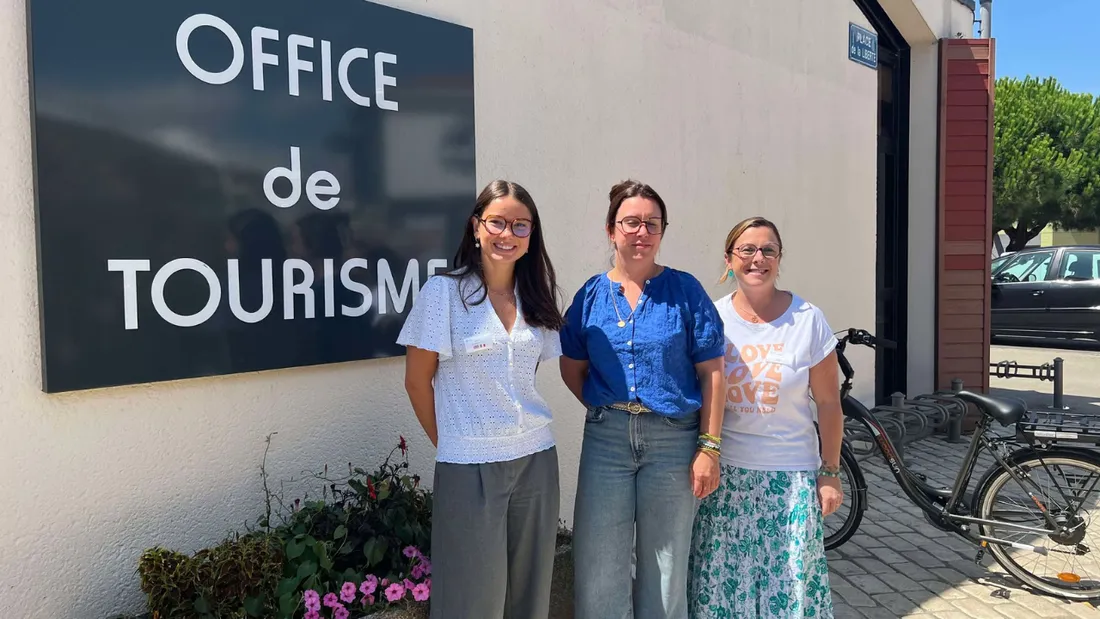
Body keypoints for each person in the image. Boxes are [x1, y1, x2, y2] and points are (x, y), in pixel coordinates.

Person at [397, 180, 565, 619]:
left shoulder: (536, 299)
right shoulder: (444, 295)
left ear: (531, 237)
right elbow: (417, 382)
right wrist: (452, 442)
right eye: (497, 222)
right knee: (472, 602)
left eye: (520, 226)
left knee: (529, 596)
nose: (507, 234)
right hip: (469, 466)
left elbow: (525, 378)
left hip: (536, 460)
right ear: (476, 227)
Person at [560, 179, 726, 619]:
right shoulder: (591, 295)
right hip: (607, 441)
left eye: (652, 223)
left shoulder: (685, 291)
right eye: (630, 222)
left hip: (674, 442)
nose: (641, 232)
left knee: (667, 567)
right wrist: (607, 408)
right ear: (610, 230)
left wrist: (709, 447)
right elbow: (572, 365)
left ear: (662, 231)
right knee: (597, 561)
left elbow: (712, 373)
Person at [687, 216, 843, 619]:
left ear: (779, 258)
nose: (758, 259)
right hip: (727, 481)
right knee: (721, 592)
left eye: (768, 250)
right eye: (747, 250)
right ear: (729, 259)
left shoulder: (808, 319)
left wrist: (829, 472)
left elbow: (828, 403)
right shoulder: (712, 317)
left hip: (790, 481)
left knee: (789, 592)